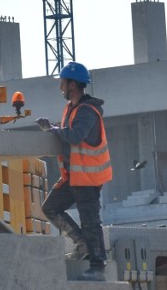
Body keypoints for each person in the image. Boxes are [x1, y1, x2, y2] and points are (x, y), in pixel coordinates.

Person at [36, 61, 113, 282]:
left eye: (63, 82)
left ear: (72, 84)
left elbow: (75, 135)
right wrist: (53, 129)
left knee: (90, 220)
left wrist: (53, 129)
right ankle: (82, 245)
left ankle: (98, 267)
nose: (60, 86)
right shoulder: (72, 108)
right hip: (73, 178)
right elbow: (68, 133)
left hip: (87, 178)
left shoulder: (88, 111)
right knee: (50, 208)